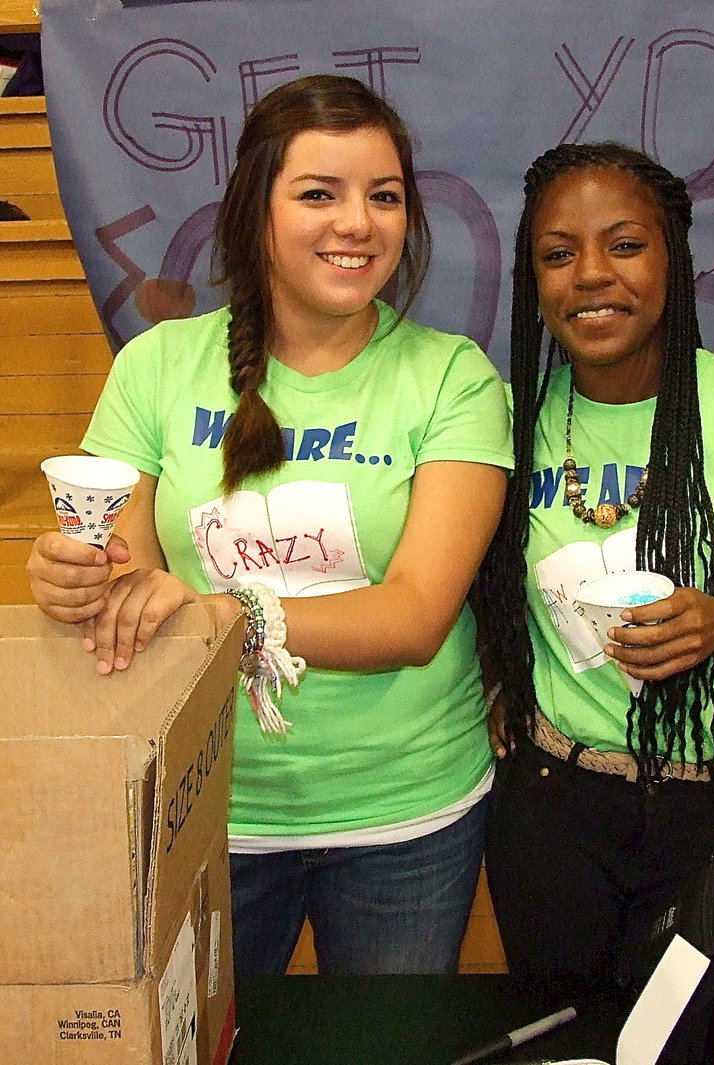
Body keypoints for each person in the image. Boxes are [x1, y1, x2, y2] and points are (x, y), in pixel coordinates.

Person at [26, 74, 513, 977]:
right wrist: (68, 576)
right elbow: (125, 580)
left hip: (404, 815)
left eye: (385, 196)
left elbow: (412, 618)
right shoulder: (158, 365)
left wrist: (216, 612)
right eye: (319, 193)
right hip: (206, 803)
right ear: (258, 211)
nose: (357, 223)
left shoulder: (455, 377)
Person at [476, 141, 714, 996]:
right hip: (551, 807)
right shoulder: (507, 419)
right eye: (558, 255)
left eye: (625, 245)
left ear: (673, 260)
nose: (591, 275)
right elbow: (476, 590)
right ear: (535, 281)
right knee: (568, 1034)